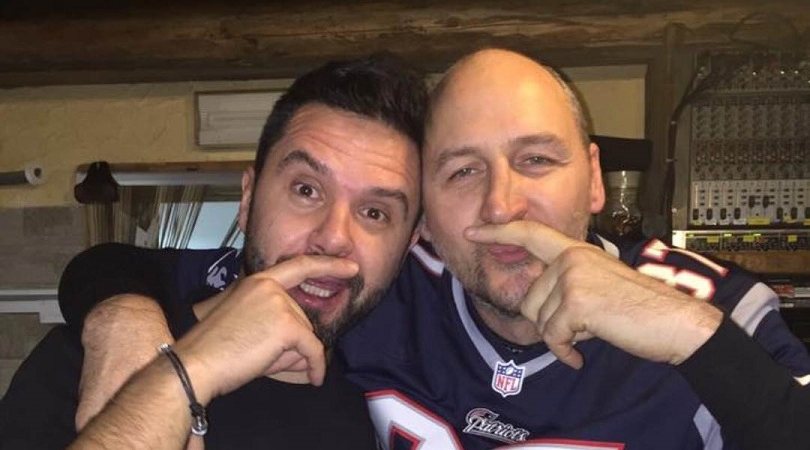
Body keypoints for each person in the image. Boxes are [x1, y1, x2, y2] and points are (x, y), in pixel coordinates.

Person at [11, 49, 810, 449]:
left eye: (537, 159)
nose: (502, 205)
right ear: (427, 220)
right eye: (462, 171)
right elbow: (142, 271)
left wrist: (689, 333)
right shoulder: (379, 295)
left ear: (595, 177)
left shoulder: (723, 309)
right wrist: (119, 314)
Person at [0, 55, 428, 449]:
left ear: (407, 245)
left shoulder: (373, 414)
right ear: (248, 200)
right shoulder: (101, 359)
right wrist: (183, 377)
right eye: (306, 190)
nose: (333, 238)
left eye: (375, 213)